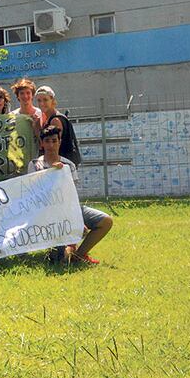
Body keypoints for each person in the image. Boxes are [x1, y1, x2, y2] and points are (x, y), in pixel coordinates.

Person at [29, 125, 112, 264]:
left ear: (59, 142)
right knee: (61, 260)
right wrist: (51, 174)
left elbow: (71, 194)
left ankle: (79, 255)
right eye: (47, 141)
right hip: (48, 215)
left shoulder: (69, 165)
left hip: (69, 209)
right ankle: (67, 249)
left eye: (54, 141)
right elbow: (34, 194)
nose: (51, 145)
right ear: (41, 143)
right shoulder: (34, 165)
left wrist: (76, 219)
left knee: (106, 221)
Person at [35, 85, 81, 165]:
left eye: (45, 100)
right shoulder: (52, 118)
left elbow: (52, 147)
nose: (42, 103)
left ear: (52, 100)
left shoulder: (55, 120)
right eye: (39, 100)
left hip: (61, 165)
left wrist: (37, 128)